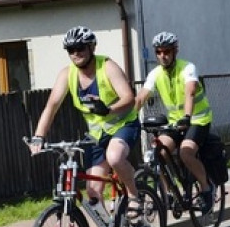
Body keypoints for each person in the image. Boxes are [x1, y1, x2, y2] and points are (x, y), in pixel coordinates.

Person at [30, 26, 142, 215]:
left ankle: (134, 197)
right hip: (97, 135)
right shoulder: (67, 74)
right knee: (92, 190)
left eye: (80, 48)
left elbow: (129, 99)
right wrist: (39, 136)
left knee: (115, 157)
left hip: (123, 125)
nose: (76, 54)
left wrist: (108, 110)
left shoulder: (107, 67)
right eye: (71, 50)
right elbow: (52, 106)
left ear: (92, 47)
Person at [135, 31, 215, 213]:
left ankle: (206, 188)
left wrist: (187, 116)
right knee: (158, 154)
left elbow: (190, 92)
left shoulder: (187, 68)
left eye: (167, 51)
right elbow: (141, 97)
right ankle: (170, 193)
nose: (163, 56)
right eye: (159, 52)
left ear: (175, 51)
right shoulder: (155, 74)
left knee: (186, 153)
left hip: (197, 119)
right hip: (174, 123)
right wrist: (127, 118)